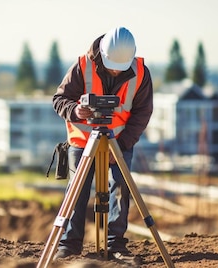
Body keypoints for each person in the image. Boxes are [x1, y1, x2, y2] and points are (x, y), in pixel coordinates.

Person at [51, 26, 154, 260]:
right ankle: (69, 245)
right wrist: (76, 110)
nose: (116, 72)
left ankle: (115, 244)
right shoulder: (82, 66)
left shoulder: (140, 73)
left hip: (119, 142)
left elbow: (142, 113)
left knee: (120, 188)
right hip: (82, 142)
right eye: (112, 67)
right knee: (76, 192)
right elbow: (59, 99)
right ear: (102, 56)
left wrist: (123, 144)